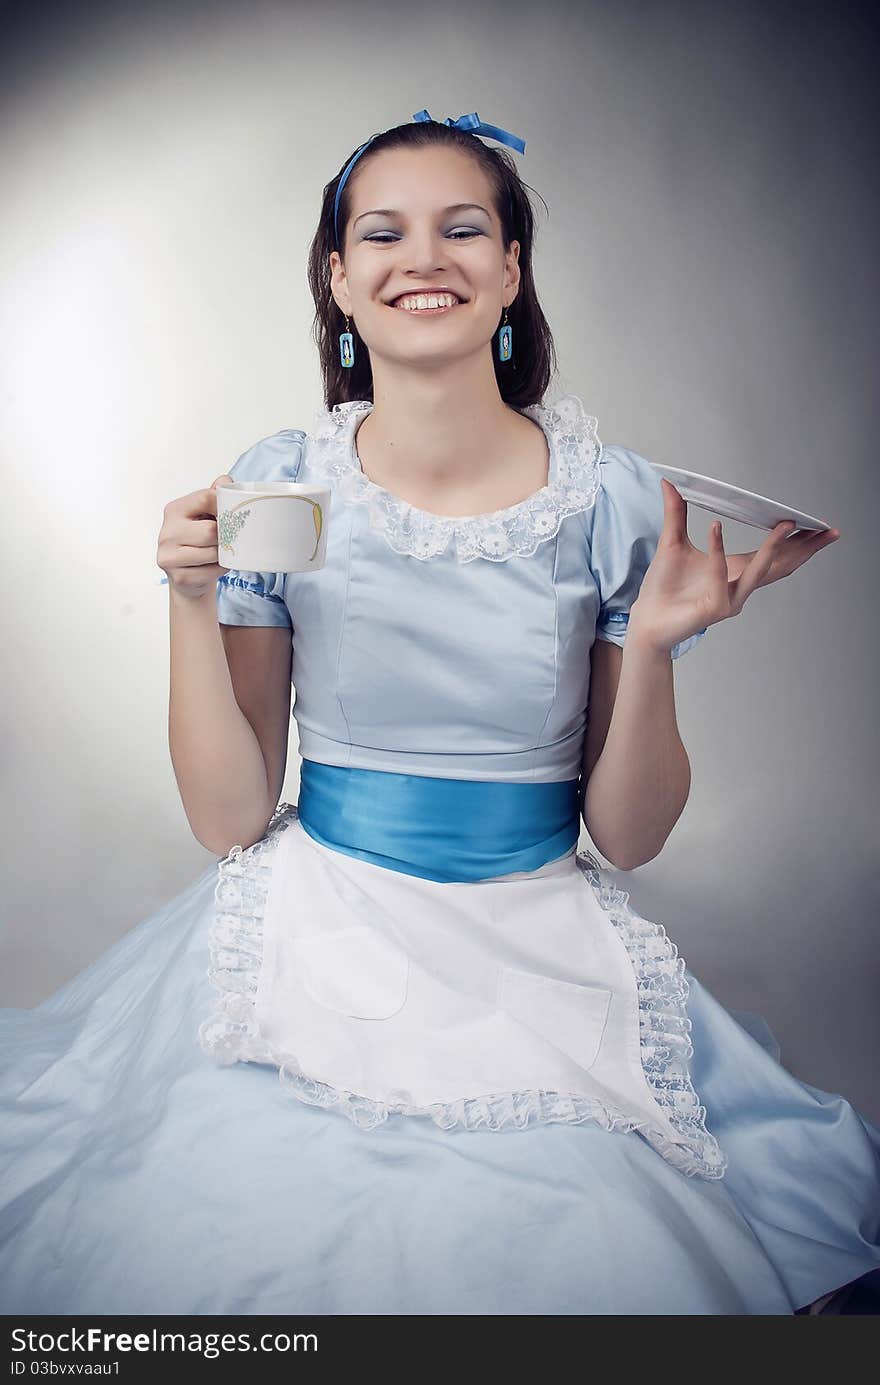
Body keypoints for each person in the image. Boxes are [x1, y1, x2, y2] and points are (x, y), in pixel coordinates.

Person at [1, 110, 877, 1318]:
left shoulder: (613, 497)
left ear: (511, 270)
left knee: (604, 1234)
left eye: (465, 229)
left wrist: (663, 645)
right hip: (324, 911)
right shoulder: (286, 481)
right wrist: (191, 598)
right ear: (340, 280)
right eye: (384, 233)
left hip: (536, 925)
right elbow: (230, 816)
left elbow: (625, 837)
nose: (427, 258)